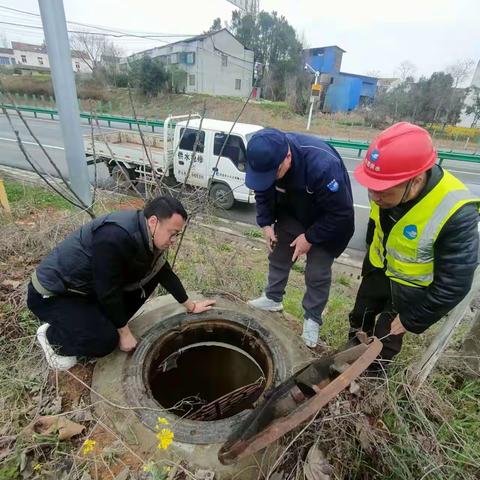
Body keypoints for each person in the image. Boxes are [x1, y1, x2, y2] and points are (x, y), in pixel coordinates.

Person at [27, 196, 215, 370]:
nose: (173, 240)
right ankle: (52, 337)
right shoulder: (114, 236)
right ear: (153, 222)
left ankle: (93, 326)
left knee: (150, 279)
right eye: (172, 233)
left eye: (177, 235)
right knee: (106, 341)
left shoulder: (146, 236)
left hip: (86, 291)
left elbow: (163, 272)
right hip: (54, 294)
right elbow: (107, 290)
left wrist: (190, 306)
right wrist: (124, 333)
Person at [350, 122, 479, 364]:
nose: (375, 197)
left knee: (385, 339)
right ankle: (350, 353)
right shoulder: (382, 193)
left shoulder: (456, 212)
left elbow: (455, 284)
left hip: (409, 289)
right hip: (378, 272)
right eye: (371, 189)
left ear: (416, 180)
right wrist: (369, 264)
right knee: (360, 316)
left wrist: (413, 318)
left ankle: (372, 377)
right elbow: (375, 230)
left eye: (383, 191)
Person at [245, 128, 355, 347]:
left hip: (328, 221)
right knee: (278, 253)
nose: (270, 178)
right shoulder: (265, 158)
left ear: (287, 157)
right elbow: (262, 190)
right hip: (294, 211)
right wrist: (266, 223)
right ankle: (273, 298)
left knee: (317, 272)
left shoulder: (322, 166)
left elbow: (340, 214)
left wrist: (310, 238)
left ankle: (312, 320)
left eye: (274, 173)